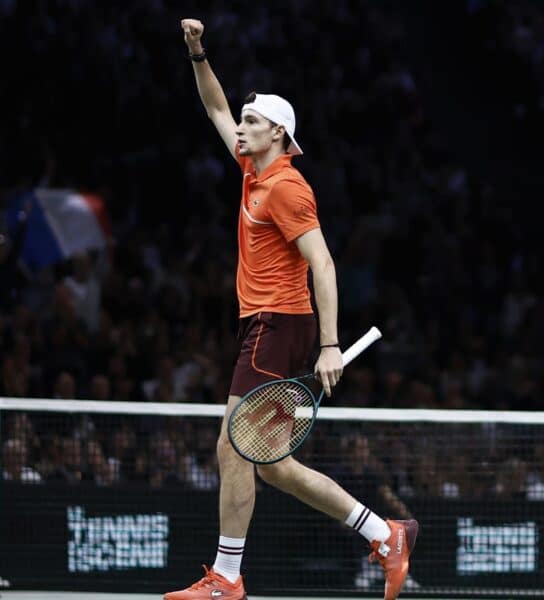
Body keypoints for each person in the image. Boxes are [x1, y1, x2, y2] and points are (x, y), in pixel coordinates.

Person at [165, 19, 418, 600]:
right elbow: (215, 110)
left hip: (278, 324)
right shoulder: (253, 172)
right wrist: (197, 52)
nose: (242, 128)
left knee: (232, 447)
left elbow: (323, 263)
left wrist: (331, 343)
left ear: (278, 132)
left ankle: (226, 579)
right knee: (271, 465)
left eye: (253, 122)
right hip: (266, 323)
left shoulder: (285, 187)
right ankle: (386, 534)